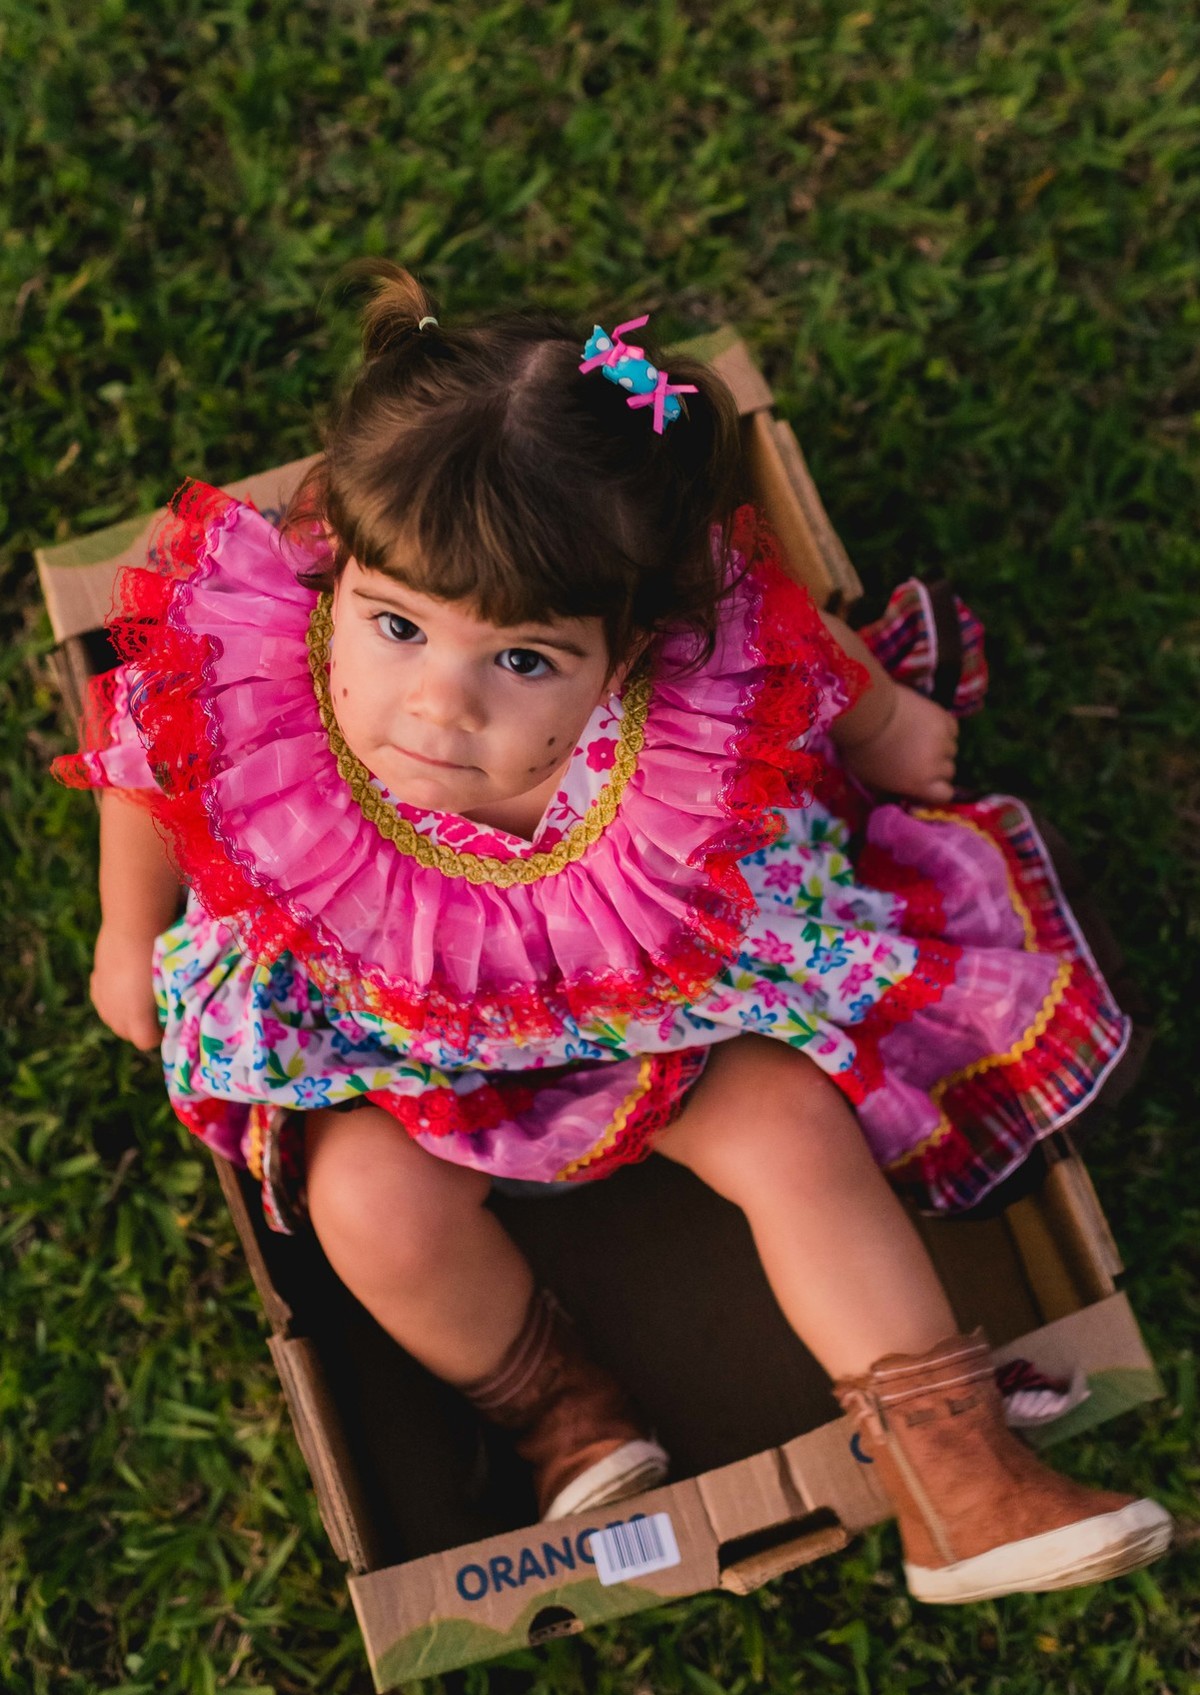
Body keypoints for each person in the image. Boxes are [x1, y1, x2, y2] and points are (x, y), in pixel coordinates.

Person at [55, 265, 1171, 1605]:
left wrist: (881, 724)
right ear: (336, 561)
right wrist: (132, 932)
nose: (437, 706)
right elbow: (141, 757)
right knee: (368, 1204)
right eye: (395, 627)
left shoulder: (689, 665)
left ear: (634, 644)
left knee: (789, 1129)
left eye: (521, 661)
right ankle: (558, 1407)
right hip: (392, 1057)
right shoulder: (259, 644)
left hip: (654, 1029)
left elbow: (803, 648)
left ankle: (952, 1462)